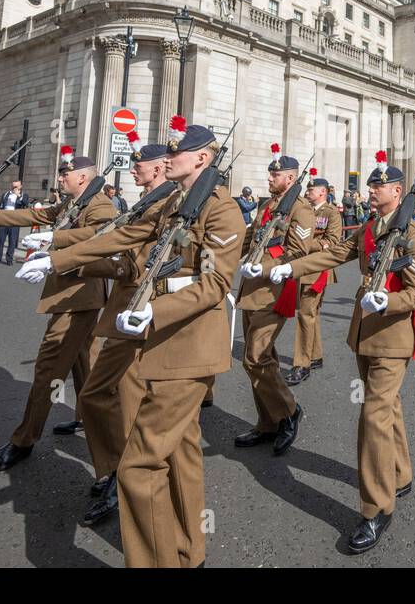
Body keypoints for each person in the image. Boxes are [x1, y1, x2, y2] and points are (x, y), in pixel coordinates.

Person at [17, 131, 186, 526]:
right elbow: (121, 257)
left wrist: (60, 255)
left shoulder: (166, 203)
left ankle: (127, 483)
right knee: (97, 394)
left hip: (148, 310)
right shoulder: (148, 201)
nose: (134, 167)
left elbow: (145, 253)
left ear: (160, 166)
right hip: (123, 308)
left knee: (126, 402)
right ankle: (114, 470)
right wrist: (62, 259)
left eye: (141, 162)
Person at [269, 150, 415, 554]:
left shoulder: (413, 235)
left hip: (392, 335)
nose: (372, 191)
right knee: (387, 407)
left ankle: (376, 508)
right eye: (371, 185)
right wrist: (295, 268)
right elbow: (336, 252)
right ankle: (402, 472)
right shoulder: (370, 226)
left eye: (380, 186)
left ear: (398, 190)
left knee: (373, 415)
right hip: (364, 330)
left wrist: (386, 303)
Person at [110, 118, 244, 567]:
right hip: (164, 338)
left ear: (202, 158)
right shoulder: (176, 202)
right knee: (182, 451)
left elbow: (213, 282)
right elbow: (145, 247)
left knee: (138, 465)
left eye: (174, 154)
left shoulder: (221, 208)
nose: (164, 160)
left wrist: (155, 309)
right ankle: (188, 550)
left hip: (189, 341)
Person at [0, 148, 117, 474]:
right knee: (85, 363)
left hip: (79, 295)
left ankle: (23, 439)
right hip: (69, 294)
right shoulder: (73, 202)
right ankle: (87, 416)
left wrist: (55, 238)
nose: (60, 179)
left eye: (65, 174)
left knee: (48, 369)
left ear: (83, 177)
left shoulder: (100, 204)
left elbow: (99, 235)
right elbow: (34, 216)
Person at [233, 144, 313, 455]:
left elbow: (299, 252)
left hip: (273, 292)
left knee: (256, 357)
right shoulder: (268, 207)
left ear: (291, 178)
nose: (270, 176)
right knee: (259, 359)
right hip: (251, 291)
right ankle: (268, 421)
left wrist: (264, 266)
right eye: (271, 172)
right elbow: (250, 239)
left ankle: (290, 410)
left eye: (276, 173)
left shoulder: (301, 210)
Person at [286, 169, 343, 385]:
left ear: (323, 192)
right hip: (302, 267)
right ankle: (316, 355)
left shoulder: (331, 213)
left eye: (311, 189)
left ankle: (302, 363)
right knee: (312, 314)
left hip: (317, 271)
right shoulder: (305, 210)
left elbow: (332, 241)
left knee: (305, 315)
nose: (308, 192)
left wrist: (303, 245)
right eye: (308, 189)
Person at [0, 179, 30, 265]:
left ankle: (9, 259)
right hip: (4, 220)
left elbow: (26, 204)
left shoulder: (24, 195)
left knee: (12, 241)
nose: (14, 188)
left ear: (20, 186)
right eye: (13, 186)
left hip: (15, 221)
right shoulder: (5, 195)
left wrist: (18, 196)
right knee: (0, 240)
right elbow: (0, 207)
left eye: (16, 186)